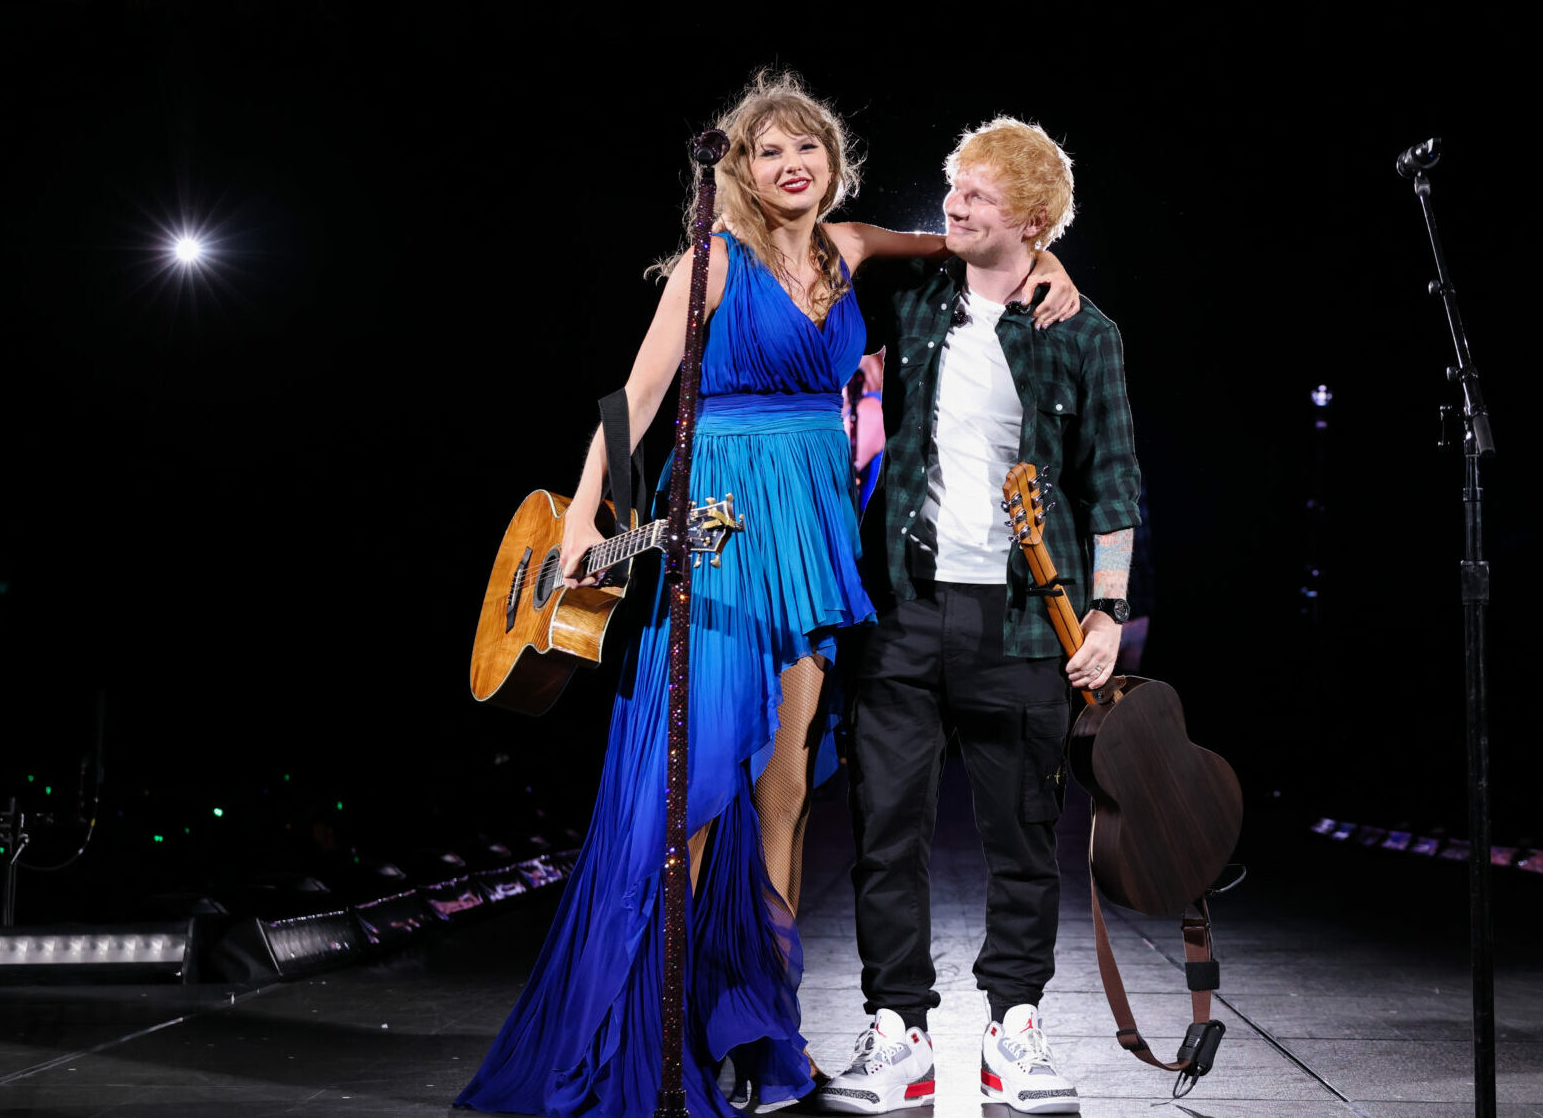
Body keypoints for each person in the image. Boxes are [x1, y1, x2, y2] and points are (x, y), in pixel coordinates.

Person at [454, 72, 1080, 1118]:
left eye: (810, 151)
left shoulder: (856, 245)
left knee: (786, 791)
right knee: (693, 795)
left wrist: (1048, 257)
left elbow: (977, 246)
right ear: (739, 169)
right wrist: (581, 519)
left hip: (815, 528)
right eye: (770, 153)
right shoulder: (710, 262)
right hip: (724, 526)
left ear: (835, 165)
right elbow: (638, 394)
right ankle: (655, 1030)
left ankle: (766, 1032)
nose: (793, 167)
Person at [822, 118, 1141, 1115]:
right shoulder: (915, 305)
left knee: (1022, 832)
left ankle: (1014, 1032)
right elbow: (842, 239)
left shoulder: (1084, 331)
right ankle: (899, 1032)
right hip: (904, 608)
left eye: (978, 195)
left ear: (1035, 219)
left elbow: (1114, 483)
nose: (952, 203)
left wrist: (1106, 614)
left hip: (1021, 620)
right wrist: (1002, 247)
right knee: (886, 827)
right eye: (953, 187)